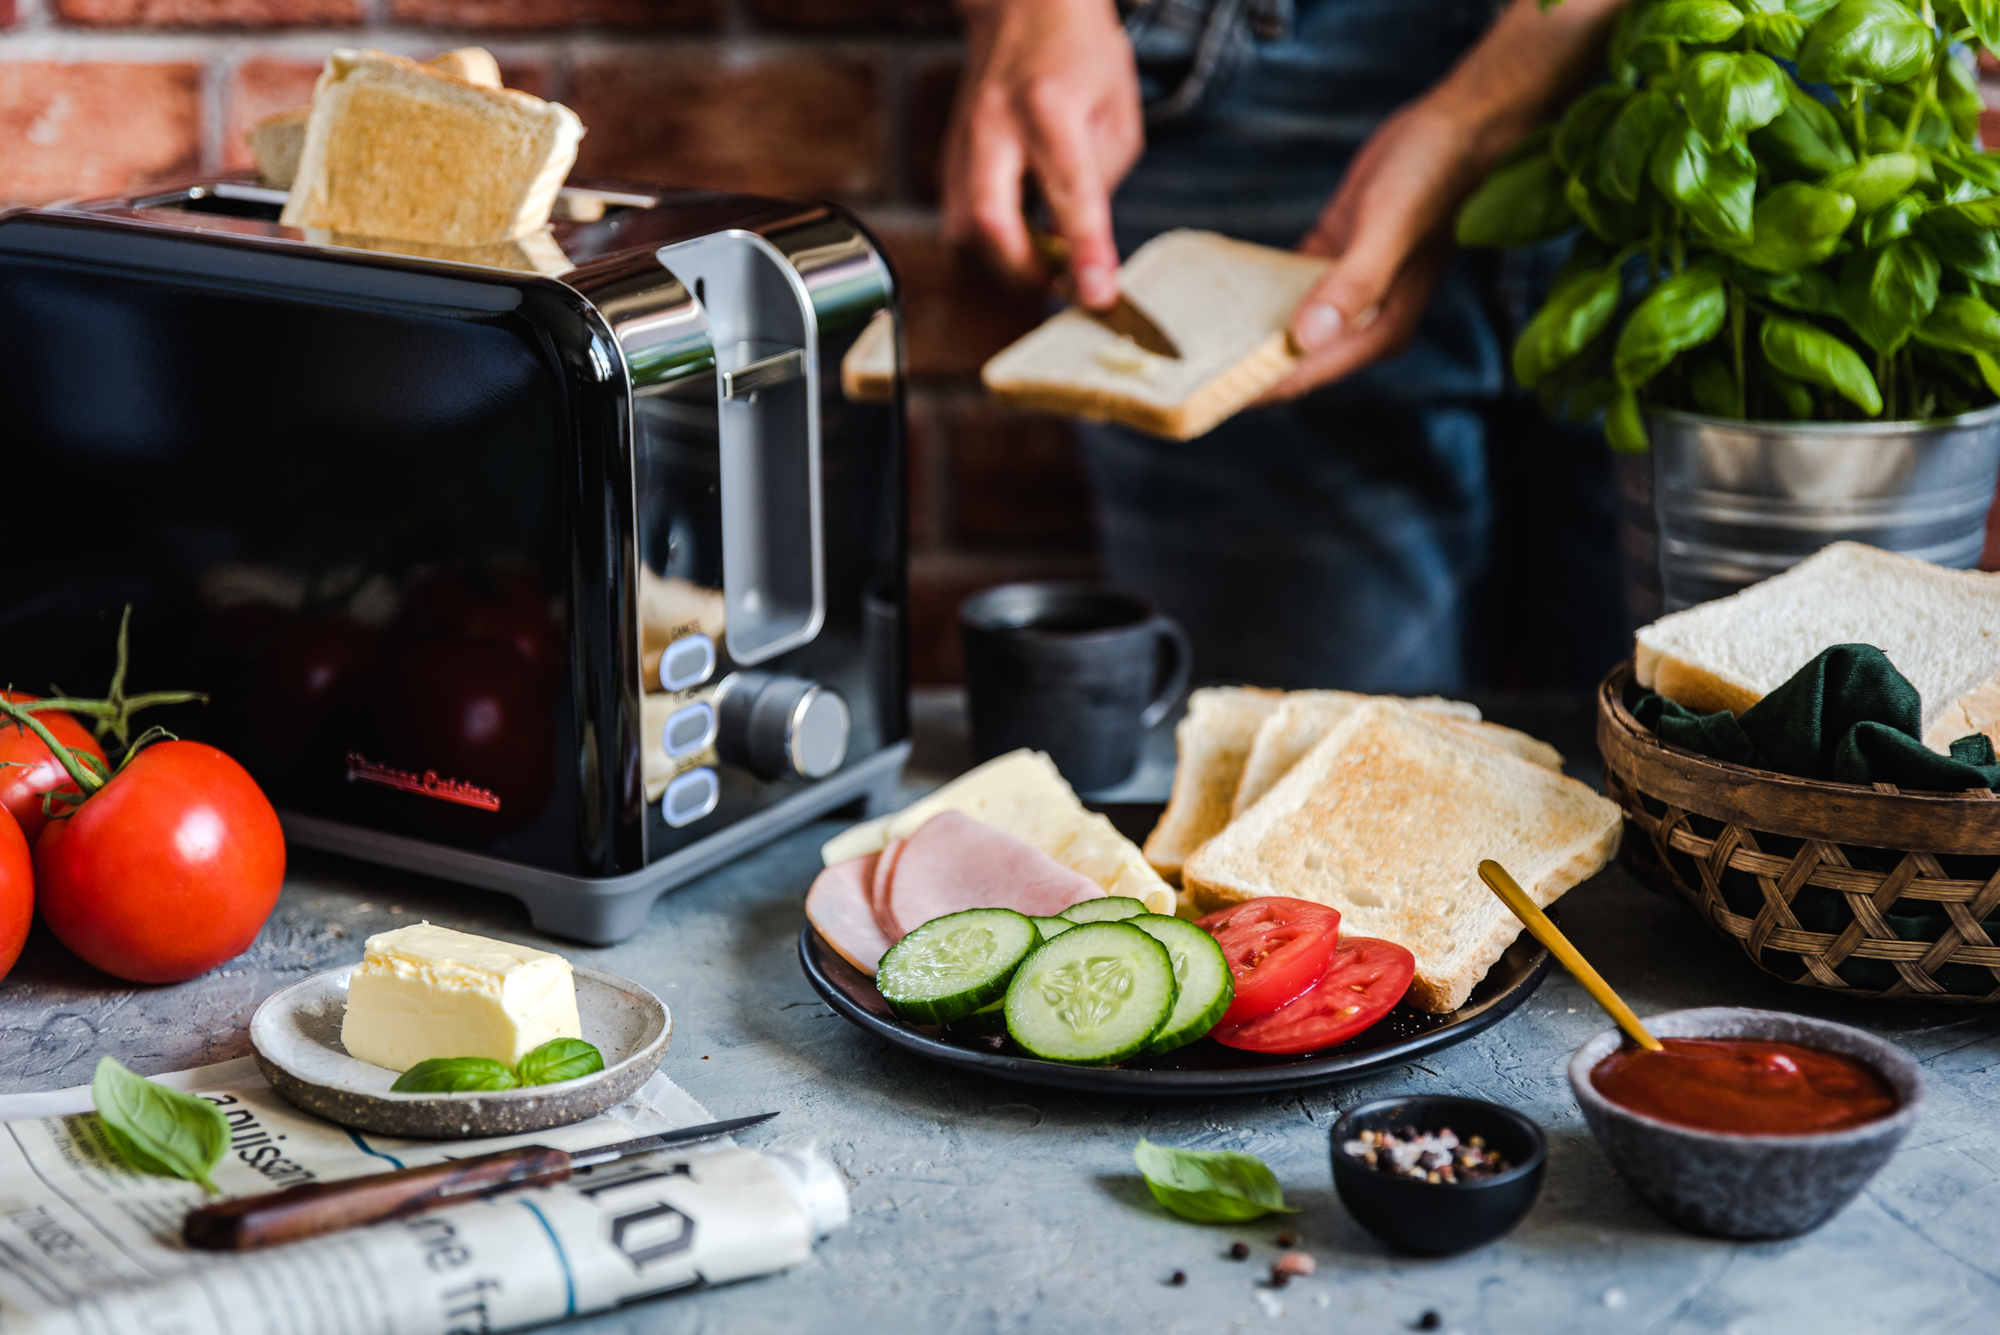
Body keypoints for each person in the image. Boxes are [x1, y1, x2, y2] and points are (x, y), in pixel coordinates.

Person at [941, 0, 1633, 690]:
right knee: (1290, 771)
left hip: (1641, 108)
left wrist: (1496, 102)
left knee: (1673, 756)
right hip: (1235, 82)